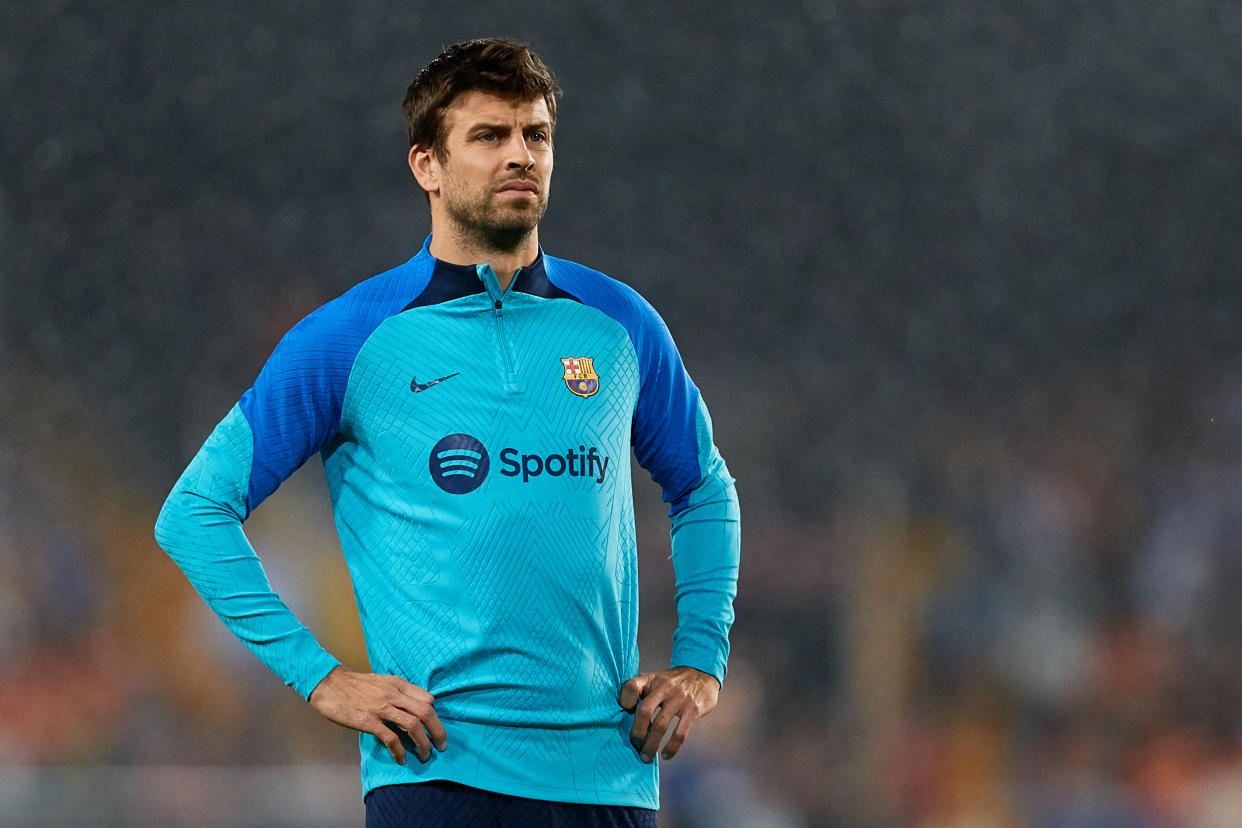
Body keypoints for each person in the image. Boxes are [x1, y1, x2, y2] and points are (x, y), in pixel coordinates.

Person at [155, 37, 740, 827]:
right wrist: (320, 678)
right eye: (489, 137)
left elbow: (702, 487)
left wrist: (702, 662)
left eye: (536, 135)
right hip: (434, 779)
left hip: (605, 780)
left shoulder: (620, 324)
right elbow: (194, 511)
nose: (520, 156)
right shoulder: (350, 338)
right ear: (426, 165)